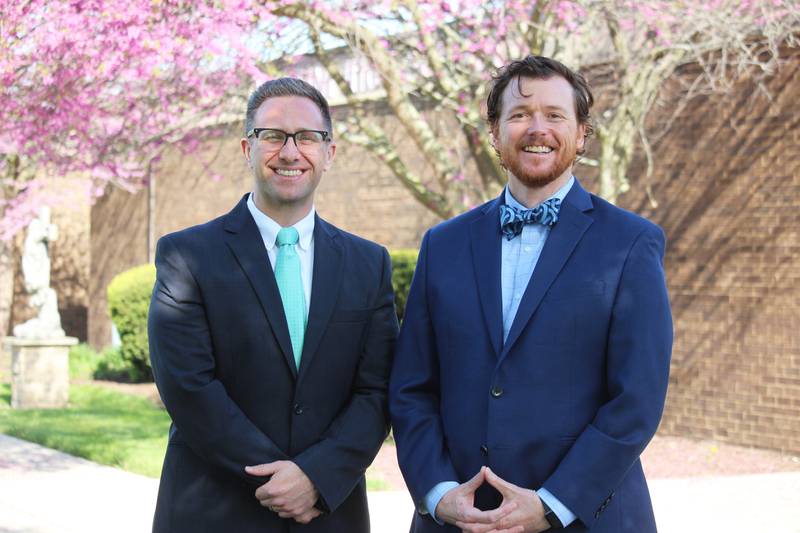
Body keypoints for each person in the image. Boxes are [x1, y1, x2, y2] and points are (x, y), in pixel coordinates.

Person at [389, 56, 673, 533]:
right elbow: (411, 389)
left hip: (586, 516)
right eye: (519, 114)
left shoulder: (631, 243)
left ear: (581, 133)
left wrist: (552, 504)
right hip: (460, 519)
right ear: (495, 132)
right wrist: (438, 494)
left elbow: (636, 401)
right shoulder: (443, 245)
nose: (536, 128)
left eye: (555, 115)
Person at [148, 77, 398, 532]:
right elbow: (189, 387)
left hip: (329, 511)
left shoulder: (368, 264)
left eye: (307, 137)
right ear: (247, 148)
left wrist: (316, 477)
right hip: (214, 511)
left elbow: (376, 390)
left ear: (329, 153)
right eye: (273, 136)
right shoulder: (186, 256)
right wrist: (284, 480)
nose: (289, 152)